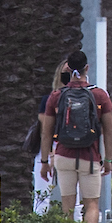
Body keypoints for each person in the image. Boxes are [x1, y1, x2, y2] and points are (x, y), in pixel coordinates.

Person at [39, 51, 112, 223]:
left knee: (67, 204)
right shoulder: (99, 95)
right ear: (86, 69)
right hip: (89, 159)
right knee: (91, 203)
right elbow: (108, 130)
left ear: (67, 69)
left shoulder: (56, 96)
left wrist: (45, 161)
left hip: (63, 156)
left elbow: (46, 131)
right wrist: (108, 159)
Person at [33, 61, 69, 214]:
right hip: (49, 148)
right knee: (41, 195)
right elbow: (45, 130)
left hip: (71, 150)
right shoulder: (49, 99)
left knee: (74, 195)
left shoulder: (85, 99)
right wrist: (49, 155)